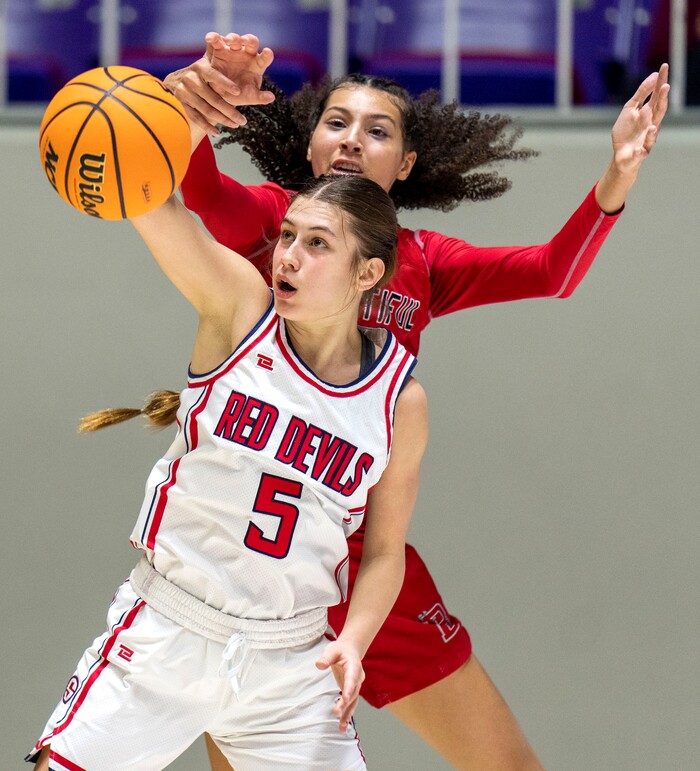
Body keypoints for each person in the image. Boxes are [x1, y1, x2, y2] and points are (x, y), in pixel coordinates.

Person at [171, 33, 668, 770]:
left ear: (403, 166)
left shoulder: (425, 262)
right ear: (309, 145)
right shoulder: (274, 222)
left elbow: (554, 271)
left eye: (377, 131)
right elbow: (201, 190)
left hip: (366, 557)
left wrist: (618, 172)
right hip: (253, 562)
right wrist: (197, 101)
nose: (351, 140)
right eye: (336, 122)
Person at [27, 152, 429, 767]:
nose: (288, 255)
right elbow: (148, 200)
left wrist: (354, 640)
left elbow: (382, 551)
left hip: (293, 660)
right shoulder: (241, 310)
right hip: (168, 634)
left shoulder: (399, 398)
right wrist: (185, 119)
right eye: (288, 235)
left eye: (318, 243)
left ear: (367, 272)